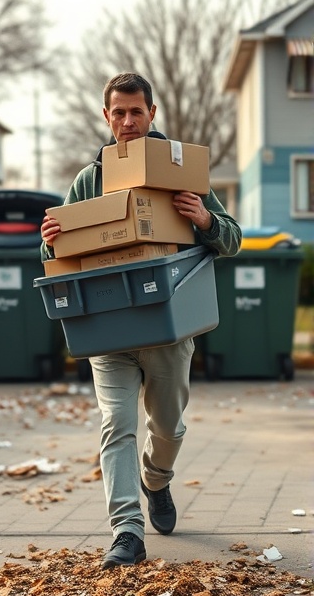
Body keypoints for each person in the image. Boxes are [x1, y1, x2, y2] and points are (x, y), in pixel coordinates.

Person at [41, 72, 242, 570]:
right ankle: (127, 532)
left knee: (168, 429)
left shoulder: (180, 173)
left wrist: (206, 221)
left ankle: (157, 481)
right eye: (118, 113)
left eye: (136, 111)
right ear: (106, 118)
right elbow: (59, 252)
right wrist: (48, 238)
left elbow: (234, 239)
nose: (127, 122)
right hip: (108, 330)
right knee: (117, 426)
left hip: (167, 330)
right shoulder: (89, 181)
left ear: (152, 114)